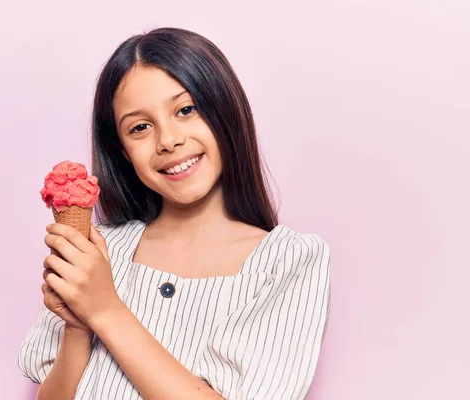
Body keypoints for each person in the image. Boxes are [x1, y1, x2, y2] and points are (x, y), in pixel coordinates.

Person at [18, 27, 331, 400]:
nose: (168, 141)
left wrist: (104, 310)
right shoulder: (100, 250)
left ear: (224, 110)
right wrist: (78, 327)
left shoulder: (288, 261)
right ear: (122, 151)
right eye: (140, 127)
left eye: (185, 110)